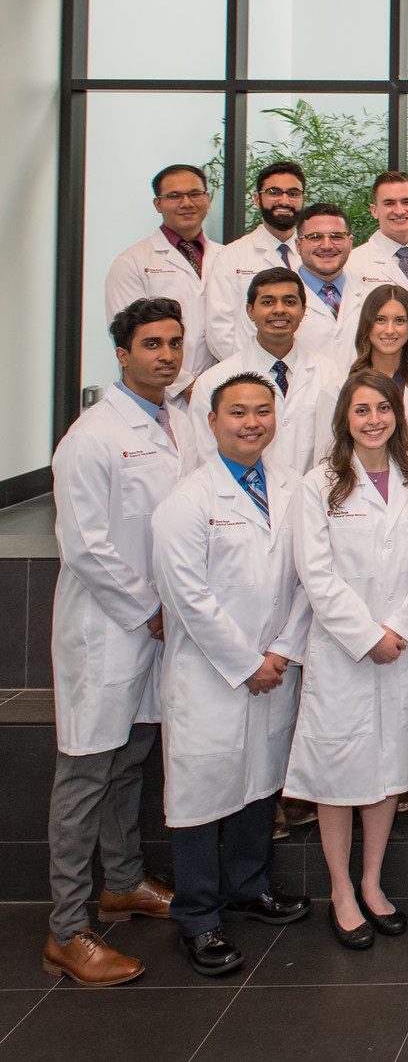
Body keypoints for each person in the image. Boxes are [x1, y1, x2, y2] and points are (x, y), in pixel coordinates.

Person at [42, 298, 194, 986]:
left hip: (156, 626)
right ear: (122, 353)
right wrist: (149, 608)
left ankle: (124, 882)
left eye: (173, 343)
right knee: (84, 774)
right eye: (151, 344)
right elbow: (85, 547)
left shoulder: (179, 423)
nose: (165, 354)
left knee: (131, 757)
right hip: (105, 630)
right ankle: (67, 929)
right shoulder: (91, 437)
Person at [150, 373, 313, 976]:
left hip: (275, 663)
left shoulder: (295, 489)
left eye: (262, 412)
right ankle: (199, 916)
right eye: (238, 413)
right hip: (211, 674)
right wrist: (247, 663)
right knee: (200, 793)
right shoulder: (187, 501)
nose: (252, 423)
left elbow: (308, 576)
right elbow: (185, 596)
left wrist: (283, 650)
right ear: (212, 422)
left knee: (259, 779)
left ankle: (250, 886)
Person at [286, 370, 408, 949]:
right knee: (340, 772)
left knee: (388, 770)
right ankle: (341, 891)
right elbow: (315, 574)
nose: (374, 419)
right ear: (344, 418)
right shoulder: (317, 484)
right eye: (362, 410)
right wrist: (366, 634)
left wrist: (395, 627)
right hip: (345, 651)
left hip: (400, 644)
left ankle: (372, 883)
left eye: (384, 409)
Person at [188, 268, 340, 475]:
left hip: (315, 499)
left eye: (289, 302)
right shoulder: (214, 381)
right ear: (250, 311)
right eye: (268, 302)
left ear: (304, 310)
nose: (279, 310)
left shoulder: (331, 375)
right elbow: (204, 458)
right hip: (241, 500)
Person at [105, 164, 215, 387]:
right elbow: (128, 333)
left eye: (195, 194)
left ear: (207, 199)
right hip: (160, 390)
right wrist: (187, 388)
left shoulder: (228, 257)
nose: (187, 203)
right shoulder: (131, 262)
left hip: (220, 388)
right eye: (174, 196)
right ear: (158, 204)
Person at [205, 161, 305, 360]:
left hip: (306, 368)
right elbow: (219, 329)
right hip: (249, 372)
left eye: (293, 193)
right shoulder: (231, 256)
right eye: (274, 192)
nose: (284, 200)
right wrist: (252, 371)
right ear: (257, 199)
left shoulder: (315, 254)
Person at [295, 203, 366, 371]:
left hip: (358, 394)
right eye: (315, 237)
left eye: (336, 236)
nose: (327, 245)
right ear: (298, 245)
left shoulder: (368, 294)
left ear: (350, 243)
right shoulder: (276, 298)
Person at [345, 172, 408, 295]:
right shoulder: (352, 263)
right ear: (374, 210)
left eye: (406, 202)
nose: (399, 211)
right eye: (389, 203)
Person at [349, 284, 408, 396]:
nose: (390, 330)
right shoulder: (339, 387)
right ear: (366, 324)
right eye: (380, 320)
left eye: (400, 320)